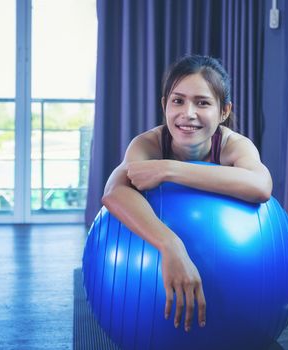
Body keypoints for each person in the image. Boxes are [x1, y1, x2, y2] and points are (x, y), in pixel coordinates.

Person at [101, 54, 272, 333]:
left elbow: (261, 186)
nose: (188, 113)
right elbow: (113, 192)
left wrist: (170, 170)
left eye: (202, 102)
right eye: (177, 100)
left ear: (224, 111)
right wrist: (171, 246)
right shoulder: (148, 144)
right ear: (164, 105)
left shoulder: (233, 146)